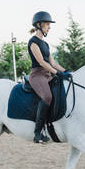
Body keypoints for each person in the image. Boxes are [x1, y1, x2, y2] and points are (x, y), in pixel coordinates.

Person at [27, 11, 70, 143]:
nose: (49, 27)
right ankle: (37, 133)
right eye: (47, 24)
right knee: (47, 96)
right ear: (39, 25)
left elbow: (53, 63)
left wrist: (66, 71)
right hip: (37, 75)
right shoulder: (33, 42)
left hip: (47, 74)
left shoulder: (45, 44)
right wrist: (57, 73)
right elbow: (42, 62)